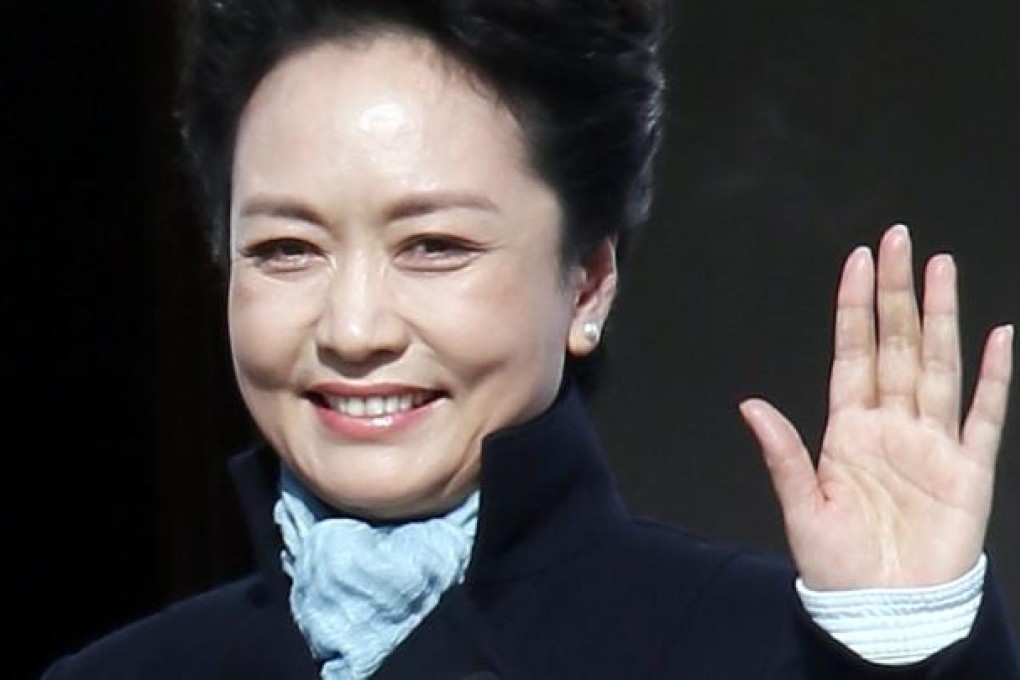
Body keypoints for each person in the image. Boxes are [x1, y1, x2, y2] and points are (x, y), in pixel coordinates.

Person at [44, 0, 1018, 678]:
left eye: (434, 245)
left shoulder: (761, 651)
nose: (352, 329)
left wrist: (909, 648)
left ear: (586, 283)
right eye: (286, 249)